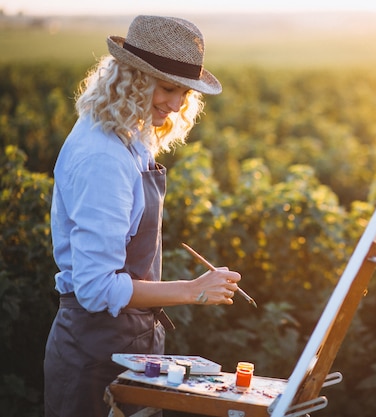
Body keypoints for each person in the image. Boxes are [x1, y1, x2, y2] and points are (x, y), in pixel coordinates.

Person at [43, 15, 241, 417]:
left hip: (127, 347)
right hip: (95, 357)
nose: (177, 103)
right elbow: (96, 288)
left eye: (184, 92)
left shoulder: (128, 140)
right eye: (168, 88)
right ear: (131, 79)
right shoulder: (103, 156)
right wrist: (193, 289)